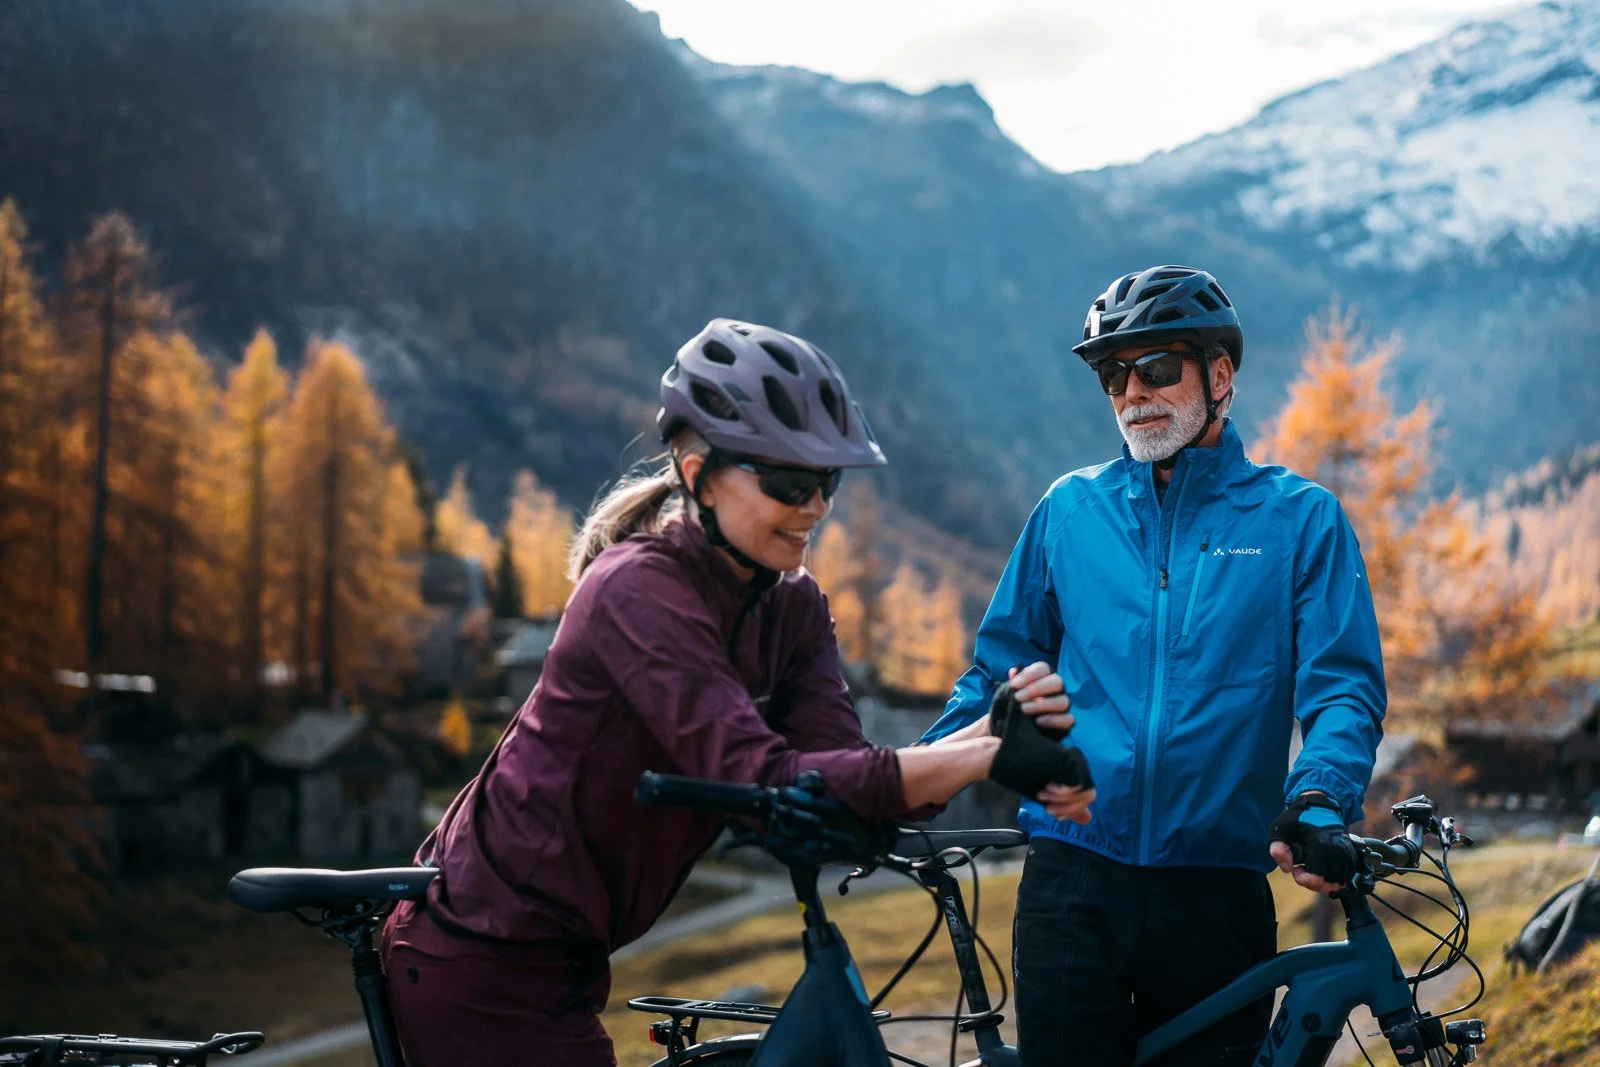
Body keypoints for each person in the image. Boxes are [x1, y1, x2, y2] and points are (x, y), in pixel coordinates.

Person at [380, 317, 1094, 1066]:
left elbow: (838, 773)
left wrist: (990, 732)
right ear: (697, 473)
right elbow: (755, 774)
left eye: (828, 482)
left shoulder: (794, 604)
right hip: (481, 951)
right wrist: (980, 753)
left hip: (570, 952)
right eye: (790, 482)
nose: (816, 506)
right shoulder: (634, 588)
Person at [920, 266, 1386, 1066]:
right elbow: (998, 673)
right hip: (1072, 882)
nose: (1133, 391)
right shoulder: (1068, 509)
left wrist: (1319, 796)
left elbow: (1342, 686)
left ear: (1220, 373)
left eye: (1157, 367)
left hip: (1216, 893)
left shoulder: (1300, 519)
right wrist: (913, 771)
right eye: (1113, 373)